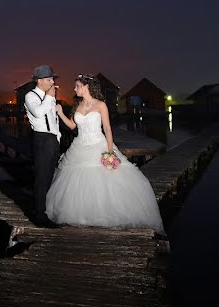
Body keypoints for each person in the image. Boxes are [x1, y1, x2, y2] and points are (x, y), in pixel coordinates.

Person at [47, 74, 166, 235]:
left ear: (86, 86)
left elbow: (108, 129)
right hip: (80, 146)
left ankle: (108, 214)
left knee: (106, 180)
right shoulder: (78, 105)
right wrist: (60, 113)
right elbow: (72, 126)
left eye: (77, 86)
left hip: (99, 144)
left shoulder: (101, 105)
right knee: (79, 180)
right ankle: (84, 215)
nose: (74, 89)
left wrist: (110, 151)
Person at [23, 64, 62, 228]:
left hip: (52, 140)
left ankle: (45, 211)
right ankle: (39, 216)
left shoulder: (49, 97)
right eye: (49, 79)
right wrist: (49, 97)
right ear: (39, 81)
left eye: (52, 78)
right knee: (42, 178)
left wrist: (58, 137)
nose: (52, 81)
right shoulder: (30, 96)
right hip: (41, 140)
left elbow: (53, 121)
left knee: (49, 177)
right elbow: (38, 113)